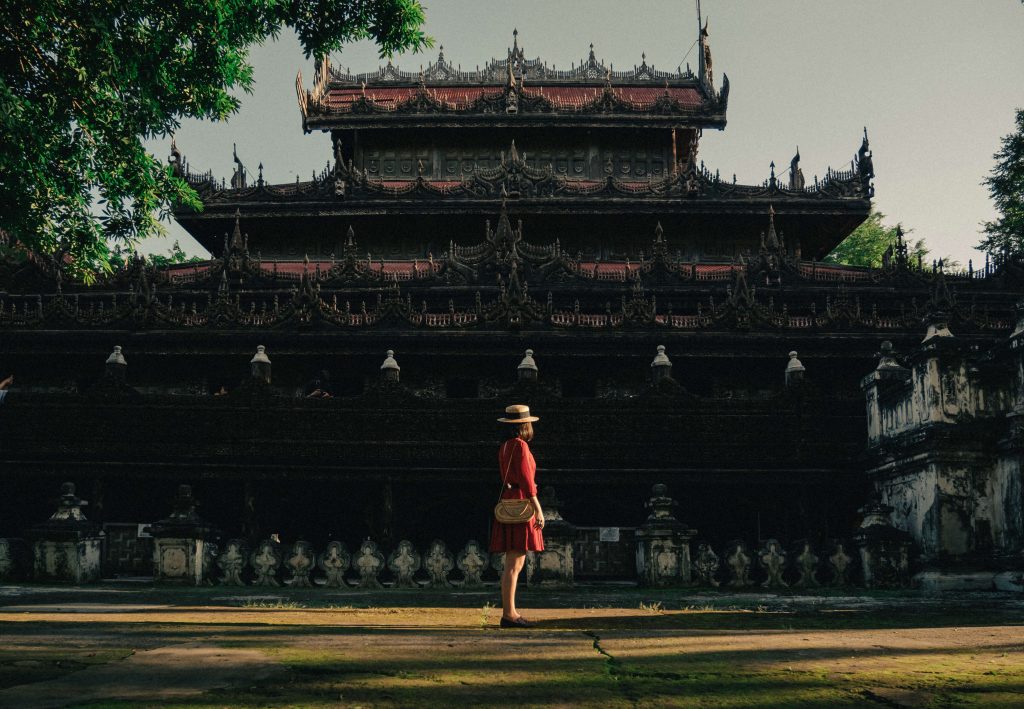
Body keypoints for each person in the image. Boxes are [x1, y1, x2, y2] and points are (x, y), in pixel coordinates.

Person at [490, 404, 545, 628]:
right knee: (515, 562)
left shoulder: (504, 447)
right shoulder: (520, 446)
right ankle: (509, 614)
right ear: (524, 425)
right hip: (521, 502)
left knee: (512, 563)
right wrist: (538, 508)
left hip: (508, 499)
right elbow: (526, 480)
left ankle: (510, 611)